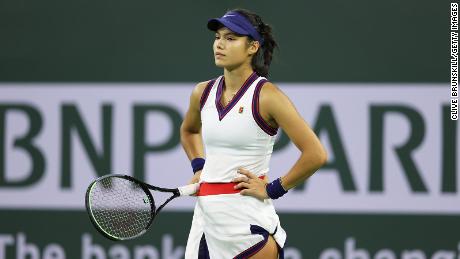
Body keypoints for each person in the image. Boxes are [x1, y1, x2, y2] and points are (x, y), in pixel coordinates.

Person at [180, 8, 327, 259]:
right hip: (206, 223)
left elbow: (316, 154)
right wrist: (199, 166)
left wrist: (273, 189)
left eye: (231, 38)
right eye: (218, 37)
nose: (220, 44)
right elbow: (189, 131)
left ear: (252, 47)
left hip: (247, 224)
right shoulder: (201, 92)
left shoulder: (268, 96)